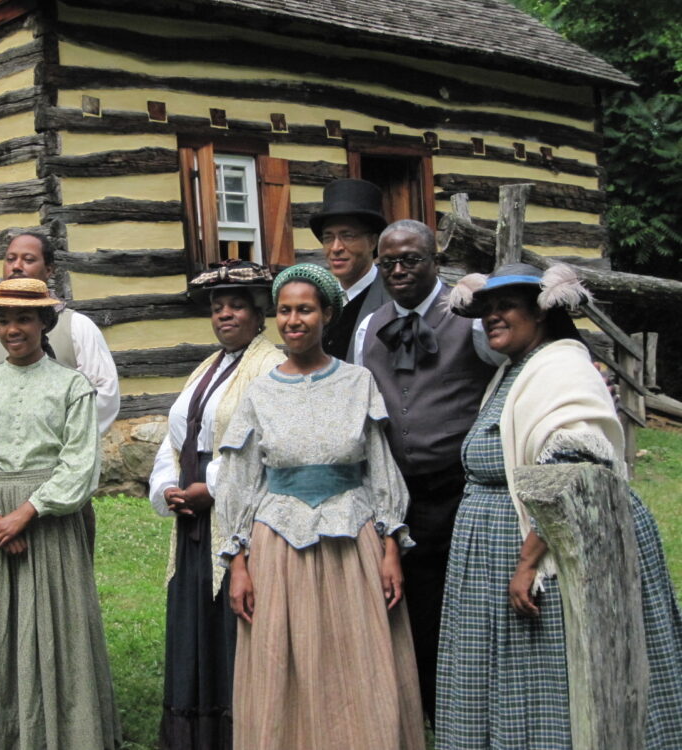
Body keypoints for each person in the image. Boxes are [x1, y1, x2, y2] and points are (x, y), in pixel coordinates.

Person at [436, 263, 682, 749]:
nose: (493, 318)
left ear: (542, 312)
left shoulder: (561, 366)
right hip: (495, 546)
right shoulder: (515, 371)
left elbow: (573, 470)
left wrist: (528, 563)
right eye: (486, 310)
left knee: (556, 669)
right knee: (513, 670)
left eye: (506, 307)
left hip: (548, 551)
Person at [215, 263, 425, 750]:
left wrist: (391, 544)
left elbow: (379, 465)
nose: (293, 320)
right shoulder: (260, 391)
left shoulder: (358, 382)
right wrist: (238, 562)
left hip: (351, 541)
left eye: (305, 309)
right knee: (284, 659)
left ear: (326, 315)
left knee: (356, 655)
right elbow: (240, 480)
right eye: (285, 310)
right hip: (279, 546)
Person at [0, 277, 120, 749]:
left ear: (45, 322)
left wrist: (28, 511)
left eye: (23, 318)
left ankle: (68, 733)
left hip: (50, 522)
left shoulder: (71, 385)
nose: (11, 329)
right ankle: (6, 735)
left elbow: (81, 462)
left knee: (60, 626)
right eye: (3, 320)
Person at [352, 219, 502, 723]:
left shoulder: (472, 316)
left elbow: (511, 372)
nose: (398, 270)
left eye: (410, 259)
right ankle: (420, 704)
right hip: (397, 494)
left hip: (460, 488)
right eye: (388, 261)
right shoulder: (368, 327)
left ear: (435, 260)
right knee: (407, 600)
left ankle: (469, 699)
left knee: (464, 599)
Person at [148, 260, 284, 750]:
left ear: (258, 312)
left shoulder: (270, 367)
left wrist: (211, 485)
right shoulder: (207, 367)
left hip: (236, 514)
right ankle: (195, 732)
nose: (225, 315)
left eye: (236, 306)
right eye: (217, 306)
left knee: (230, 621)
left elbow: (265, 447)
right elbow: (174, 438)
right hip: (192, 518)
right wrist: (168, 485)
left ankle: (237, 731)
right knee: (194, 619)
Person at [0, 230, 119, 551]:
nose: (17, 266)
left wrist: (65, 453)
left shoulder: (77, 326)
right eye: (10, 259)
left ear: (49, 270)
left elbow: (105, 393)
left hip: (58, 484)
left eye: (28, 259)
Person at [311, 178, 390, 362]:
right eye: (328, 238)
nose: (336, 247)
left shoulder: (391, 300)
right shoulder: (321, 300)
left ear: (372, 242)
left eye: (347, 236)